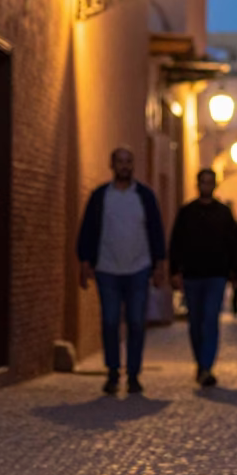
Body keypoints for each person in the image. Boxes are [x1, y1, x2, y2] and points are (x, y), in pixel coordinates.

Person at [77, 147, 166, 396]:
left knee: (137, 322)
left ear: (133, 165)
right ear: (112, 164)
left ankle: (134, 374)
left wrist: (160, 265)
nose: (125, 166)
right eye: (120, 161)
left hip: (139, 268)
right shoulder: (100, 196)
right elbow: (88, 229)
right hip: (107, 269)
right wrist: (85, 261)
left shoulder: (145, 196)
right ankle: (113, 371)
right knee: (110, 321)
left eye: (129, 161)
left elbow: (156, 230)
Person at [169, 168, 237, 387]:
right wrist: (174, 271)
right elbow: (176, 243)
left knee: (210, 320)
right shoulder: (187, 212)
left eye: (210, 182)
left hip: (216, 276)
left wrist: (235, 272)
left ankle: (207, 366)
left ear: (214, 185)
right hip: (191, 275)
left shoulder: (224, 213)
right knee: (195, 323)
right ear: (197, 184)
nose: (206, 186)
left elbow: (233, 245)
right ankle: (200, 362)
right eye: (203, 182)